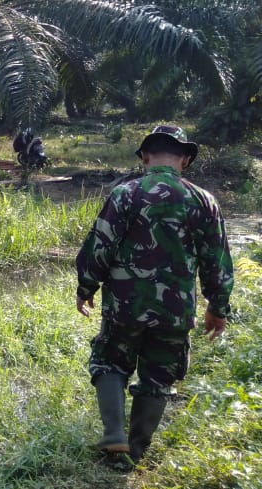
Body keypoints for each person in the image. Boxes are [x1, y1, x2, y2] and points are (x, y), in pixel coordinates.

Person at [76, 125, 233, 467]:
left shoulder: (126, 194)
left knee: (110, 361)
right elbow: (216, 261)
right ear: (185, 160)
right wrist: (218, 307)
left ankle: (114, 437)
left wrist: (86, 286)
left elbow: (100, 245)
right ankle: (135, 450)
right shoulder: (204, 201)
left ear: (145, 157)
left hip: (123, 307)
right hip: (174, 311)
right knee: (159, 376)